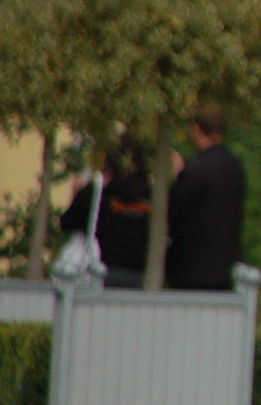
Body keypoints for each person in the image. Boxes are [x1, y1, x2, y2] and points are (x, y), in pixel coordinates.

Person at [165, 103, 246, 291]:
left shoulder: (196, 171)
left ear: (197, 129)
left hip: (191, 271)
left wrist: (177, 177)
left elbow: (173, 210)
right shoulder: (235, 168)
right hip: (226, 270)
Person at [59, 132, 153, 290]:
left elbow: (67, 223)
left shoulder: (96, 191)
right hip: (140, 272)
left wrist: (77, 196)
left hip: (100, 269)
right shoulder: (152, 195)